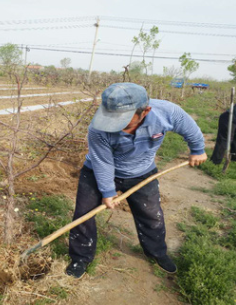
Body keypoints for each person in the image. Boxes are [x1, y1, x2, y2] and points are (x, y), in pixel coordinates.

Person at [66, 83, 207, 279]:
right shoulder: (98, 128)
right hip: (98, 171)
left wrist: (198, 149)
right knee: (83, 214)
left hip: (142, 172)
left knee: (151, 214)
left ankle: (157, 252)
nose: (114, 124)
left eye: (123, 120)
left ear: (145, 111)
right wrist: (107, 192)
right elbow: (103, 162)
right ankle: (80, 257)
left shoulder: (167, 112)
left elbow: (188, 127)